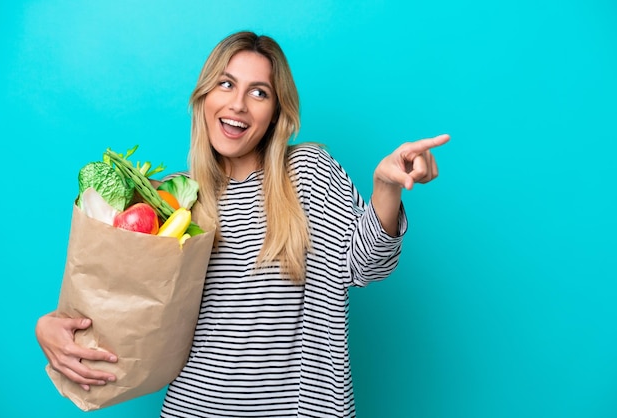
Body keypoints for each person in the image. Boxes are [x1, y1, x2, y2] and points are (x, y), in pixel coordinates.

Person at [36, 31, 450, 417]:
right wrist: (50, 326)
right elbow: (121, 303)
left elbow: (367, 265)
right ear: (204, 97)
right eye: (226, 84)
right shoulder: (173, 200)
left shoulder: (304, 174)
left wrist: (385, 188)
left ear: (274, 113)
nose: (238, 104)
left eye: (259, 92)